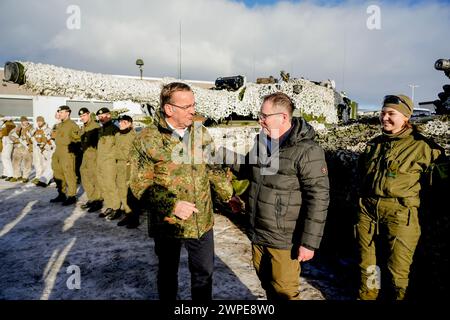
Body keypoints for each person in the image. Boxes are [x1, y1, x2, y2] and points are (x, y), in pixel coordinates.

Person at [129, 82, 234, 300]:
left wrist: (228, 194)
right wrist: (172, 205)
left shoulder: (200, 132)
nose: (193, 110)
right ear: (169, 109)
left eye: (193, 105)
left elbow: (212, 167)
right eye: (186, 107)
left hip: (201, 220)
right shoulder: (147, 139)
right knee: (168, 274)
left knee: (204, 274)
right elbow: (140, 184)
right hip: (169, 223)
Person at [229, 92, 330, 300]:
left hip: (285, 240)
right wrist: (221, 155)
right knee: (267, 286)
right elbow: (250, 169)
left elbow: (318, 197)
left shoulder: (307, 151)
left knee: (285, 292)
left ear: (283, 117)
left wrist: (309, 243)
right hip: (259, 233)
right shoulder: (263, 141)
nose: (260, 120)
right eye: (260, 114)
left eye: (264, 115)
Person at [356, 94, 448, 300]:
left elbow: (441, 181)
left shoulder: (424, 147)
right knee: (369, 267)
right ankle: (368, 296)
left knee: (398, 272)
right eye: (383, 113)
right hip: (368, 213)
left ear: (406, 117)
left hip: (401, 215)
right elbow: (361, 176)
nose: (385, 118)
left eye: (391, 114)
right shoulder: (374, 145)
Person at [50, 105, 81, 206]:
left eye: (62, 112)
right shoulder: (59, 125)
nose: (59, 114)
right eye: (59, 112)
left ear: (67, 113)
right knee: (58, 174)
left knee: (69, 174)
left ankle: (72, 196)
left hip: (67, 153)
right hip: (58, 151)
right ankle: (61, 194)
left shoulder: (73, 125)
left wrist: (73, 152)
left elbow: (78, 140)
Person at [95, 107, 121, 219]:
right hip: (100, 161)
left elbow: (119, 146)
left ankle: (116, 208)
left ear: (109, 115)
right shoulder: (101, 130)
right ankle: (109, 205)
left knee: (111, 185)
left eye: (103, 116)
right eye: (99, 117)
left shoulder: (115, 129)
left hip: (110, 162)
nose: (101, 118)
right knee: (103, 185)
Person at [114, 114, 139, 228]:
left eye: (124, 122)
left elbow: (137, 153)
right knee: (121, 191)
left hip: (130, 166)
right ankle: (127, 215)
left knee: (130, 194)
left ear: (130, 123)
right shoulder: (118, 135)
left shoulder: (134, 136)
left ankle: (134, 218)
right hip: (119, 165)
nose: (121, 124)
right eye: (120, 122)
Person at [78, 108, 103, 212]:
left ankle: (98, 200)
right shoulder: (84, 127)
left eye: (84, 115)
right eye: (80, 116)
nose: (82, 118)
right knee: (84, 175)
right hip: (85, 155)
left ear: (88, 115)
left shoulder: (96, 127)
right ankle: (92, 198)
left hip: (94, 155)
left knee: (94, 178)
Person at [31, 116, 54, 187]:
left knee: (46, 164)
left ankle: (46, 178)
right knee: (37, 162)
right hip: (37, 149)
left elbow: (50, 140)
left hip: (45, 149)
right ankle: (38, 176)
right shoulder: (35, 130)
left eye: (40, 121)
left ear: (43, 121)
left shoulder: (48, 129)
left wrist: (45, 146)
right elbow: (32, 138)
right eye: (38, 121)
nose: (39, 122)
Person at [9, 116, 33, 183]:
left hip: (27, 147)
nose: (25, 122)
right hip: (18, 147)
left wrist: (28, 140)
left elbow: (34, 137)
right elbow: (10, 135)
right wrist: (16, 140)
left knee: (27, 162)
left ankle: (25, 177)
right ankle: (16, 176)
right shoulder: (17, 128)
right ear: (21, 122)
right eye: (23, 121)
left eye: (26, 121)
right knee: (15, 162)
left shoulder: (31, 128)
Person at [0, 116, 16, 181]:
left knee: (6, 157)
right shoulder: (5, 123)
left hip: (8, 142)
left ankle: (10, 174)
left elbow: (4, 133)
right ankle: (5, 173)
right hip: (4, 142)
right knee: (4, 157)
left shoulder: (9, 124)